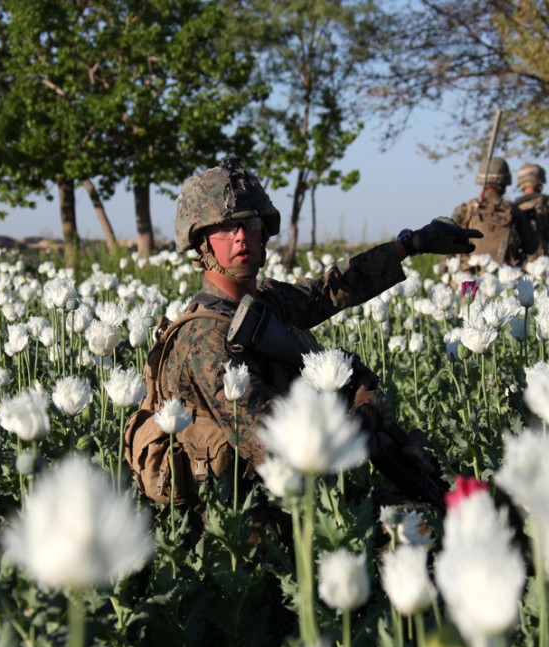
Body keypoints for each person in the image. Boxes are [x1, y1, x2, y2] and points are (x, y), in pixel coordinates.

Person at [135, 156, 481, 509]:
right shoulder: (206, 338)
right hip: (241, 515)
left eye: (250, 223)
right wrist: (363, 415)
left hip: (284, 495)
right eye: (225, 228)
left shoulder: (263, 303)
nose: (241, 237)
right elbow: (277, 452)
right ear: (202, 242)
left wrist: (412, 244)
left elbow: (330, 289)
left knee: (432, 508)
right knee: (414, 525)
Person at [451, 157, 537, 267]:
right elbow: (531, 247)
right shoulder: (515, 212)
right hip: (506, 276)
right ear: (505, 184)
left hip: (471, 279)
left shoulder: (466, 210)